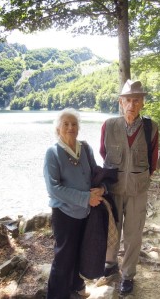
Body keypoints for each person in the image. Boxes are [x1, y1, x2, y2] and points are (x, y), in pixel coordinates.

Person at [100, 79, 159, 295]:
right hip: (113, 188)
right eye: (127, 100)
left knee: (134, 234)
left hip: (137, 190)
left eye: (136, 100)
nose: (131, 105)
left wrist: (137, 177)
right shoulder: (109, 125)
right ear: (120, 102)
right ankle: (109, 264)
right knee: (112, 228)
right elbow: (103, 153)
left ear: (142, 103)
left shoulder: (151, 128)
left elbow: (153, 161)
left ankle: (128, 274)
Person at [43, 108, 105, 299]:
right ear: (58, 129)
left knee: (80, 252)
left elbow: (95, 173)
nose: (70, 127)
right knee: (63, 257)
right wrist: (86, 198)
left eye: (74, 124)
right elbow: (53, 188)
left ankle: (76, 286)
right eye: (66, 124)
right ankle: (56, 295)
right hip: (64, 214)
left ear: (78, 128)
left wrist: (101, 189)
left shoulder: (85, 148)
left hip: (85, 213)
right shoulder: (53, 153)